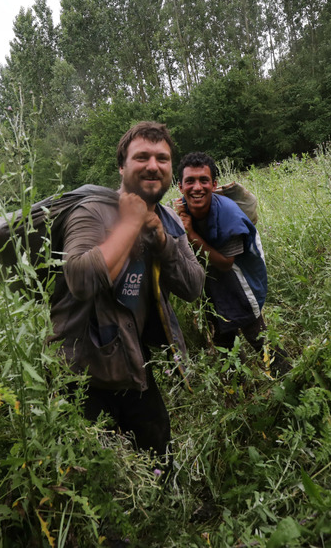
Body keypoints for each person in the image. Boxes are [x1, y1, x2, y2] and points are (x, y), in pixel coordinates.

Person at [49, 121, 204, 457]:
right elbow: (81, 279)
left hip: (133, 361)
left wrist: (162, 241)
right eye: (142, 157)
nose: (153, 166)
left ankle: (165, 507)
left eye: (162, 159)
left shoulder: (167, 220)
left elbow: (193, 286)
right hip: (81, 373)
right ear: (121, 166)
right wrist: (131, 223)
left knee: (158, 453)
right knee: (95, 476)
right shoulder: (91, 211)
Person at [173, 152, 290, 376]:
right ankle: (238, 383)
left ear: (214, 184)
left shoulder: (228, 215)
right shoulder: (180, 211)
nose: (197, 187)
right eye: (190, 181)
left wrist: (190, 234)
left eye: (203, 180)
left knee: (255, 331)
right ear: (180, 186)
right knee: (222, 336)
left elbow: (226, 263)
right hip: (210, 284)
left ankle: (287, 377)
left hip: (238, 279)